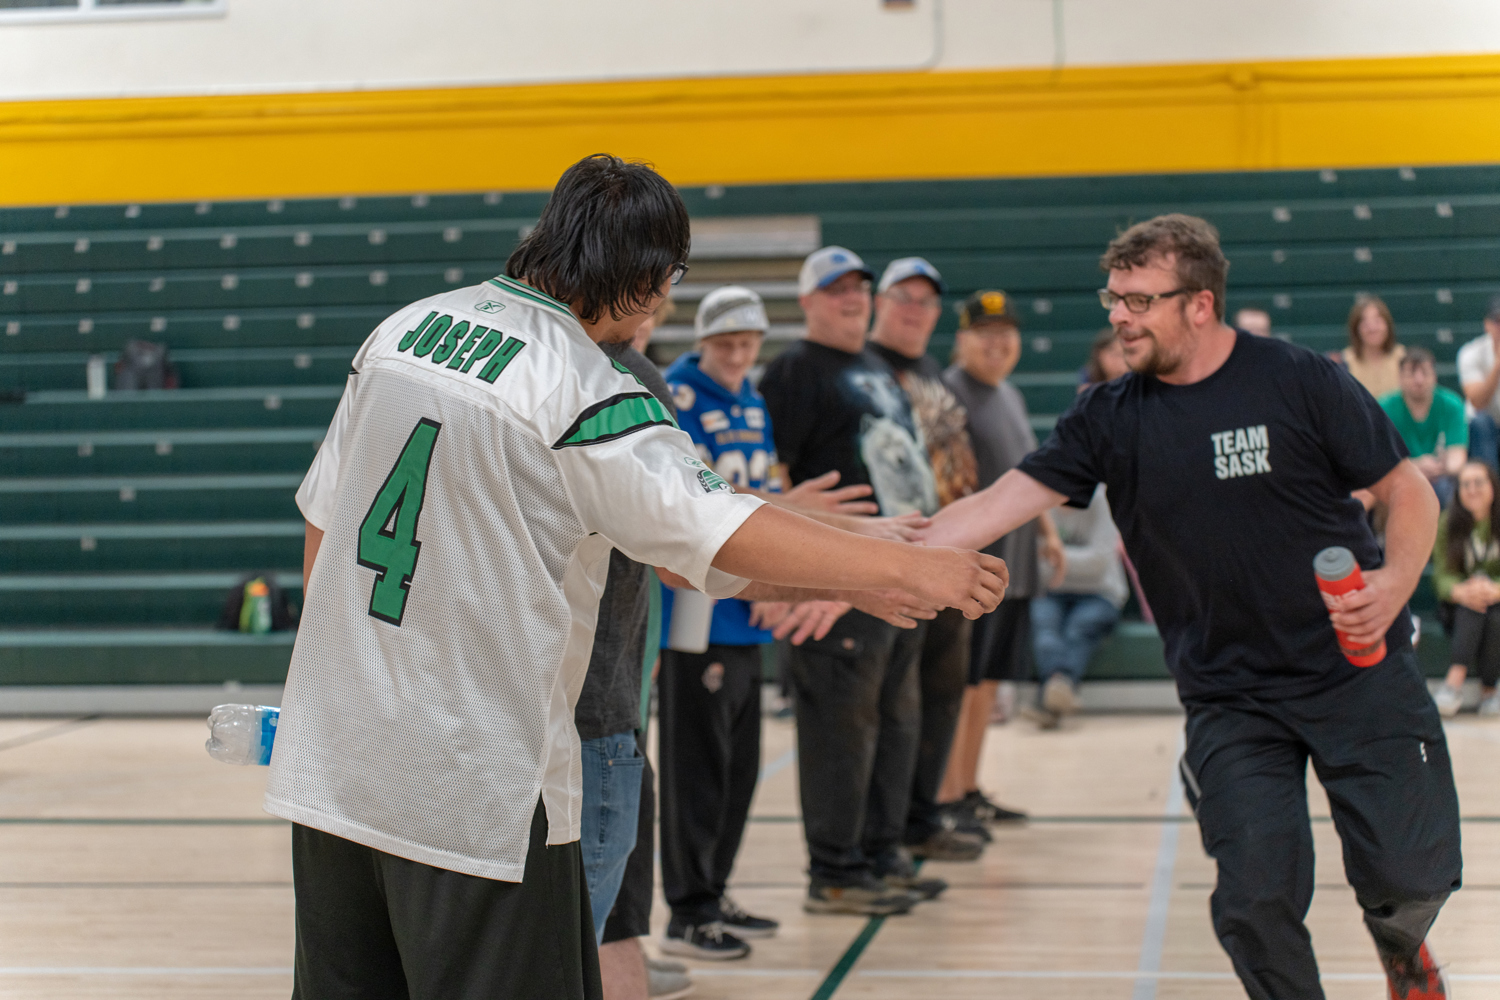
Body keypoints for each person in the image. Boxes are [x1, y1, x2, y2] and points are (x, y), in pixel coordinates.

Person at [269, 155, 1008, 1000]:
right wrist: (907, 568)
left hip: (336, 763)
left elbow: (324, 525)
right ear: (646, 280)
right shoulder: (586, 386)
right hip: (479, 787)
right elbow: (713, 532)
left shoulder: (401, 334)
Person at [920, 213, 1459, 1000]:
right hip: (1230, 693)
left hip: (1355, 667)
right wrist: (884, 557)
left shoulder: (1299, 379)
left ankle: (1401, 945)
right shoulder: (1108, 416)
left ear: (1199, 304)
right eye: (1114, 298)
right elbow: (1001, 501)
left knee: (1410, 876)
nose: (1119, 317)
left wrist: (1394, 583)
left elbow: (1407, 490)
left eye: (1139, 301)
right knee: (1253, 901)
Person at [758, 245, 943, 916]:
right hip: (837, 582)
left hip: (896, 574)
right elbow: (770, 477)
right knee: (842, 726)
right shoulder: (793, 371)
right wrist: (791, 573)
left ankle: (880, 853)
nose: (851, 298)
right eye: (835, 289)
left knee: (895, 719)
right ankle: (835, 871)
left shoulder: (874, 367)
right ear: (807, 301)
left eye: (860, 287)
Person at [656, 286, 784, 960]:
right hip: (696, 613)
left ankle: (717, 886)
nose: (737, 353)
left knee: (739, 766)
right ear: (703, 339)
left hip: (747, 615)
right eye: (726, 342)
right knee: (697, 768)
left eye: (748, 342)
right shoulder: (677, 393)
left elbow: (767, 491)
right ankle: (688, 909)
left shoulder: (752, 399)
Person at [867, 257, 990, 871]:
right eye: (903, 298)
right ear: (880, 303)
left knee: (942, 692)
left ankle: (922, 816)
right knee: (900, 702)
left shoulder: (932, 372)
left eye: (926, 301)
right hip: (902, 558)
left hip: (951, 553)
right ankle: (886, 831)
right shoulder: (868, 373)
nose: (915, 310)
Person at [935, 290, 1064, 835]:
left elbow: (1024, 474)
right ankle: (945, 796)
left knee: (987, 685)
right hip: (971, 567)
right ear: (962, 340)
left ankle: (968, 788)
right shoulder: (948, 395)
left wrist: (1049, 532)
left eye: (1006, 334)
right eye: (985, 334)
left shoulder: (1007, 394)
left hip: (1013, 565)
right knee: (962, 686)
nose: (998, 344)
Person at [1025, 484, 1127, 729]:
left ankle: (1050, 696)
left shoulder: (1101, 499)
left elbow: (1100, 561)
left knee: (1079, 628)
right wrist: (1070, 562)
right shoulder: (1037, 503)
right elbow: (1035, 565)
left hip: (1100, 594)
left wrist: (1057, 557)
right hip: (1053, 592)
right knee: (1044, 630)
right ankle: (1060, 689)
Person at [1430, 460, 1500, 718]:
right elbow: (1441, 577)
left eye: (1479, 482)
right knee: (1475, 606)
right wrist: (1462, 591)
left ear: (1493, 486)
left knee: (1492, 611)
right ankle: (1486, 692)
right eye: (1465, 484)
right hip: (1455, 608)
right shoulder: (1447, 522)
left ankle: (1456, 687)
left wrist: (1494, 590)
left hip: (1496, 603)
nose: (1472, 489)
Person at [1380, 347, 1468, 508]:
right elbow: (1379, 460)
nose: (1418, 380)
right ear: (1400, 378)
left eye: (1425, 373)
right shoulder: (1385, 407)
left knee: (1444, 489)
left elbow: (1458, 458)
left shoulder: (1452, 404)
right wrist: (1416, 465)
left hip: (1441, 477)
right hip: (1399, 477)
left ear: (1434, 376)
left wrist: (1441, 466)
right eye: (1411, 374)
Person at [1456, 293, 1500, 472]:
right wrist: (1497, 366)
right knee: (1480, 423)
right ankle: (1492, 494)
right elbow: (1477, 402)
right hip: (1485, 427)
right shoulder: (1471, 352)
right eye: (1497, 321)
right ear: (1487, 324)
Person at [1342, 295, 1406, 399]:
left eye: (1377, 321)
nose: (1372, 328)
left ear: (1387, 325)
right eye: (1365, 322)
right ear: (1356, 328)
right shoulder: (1345, 361)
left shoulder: (1402, 356)